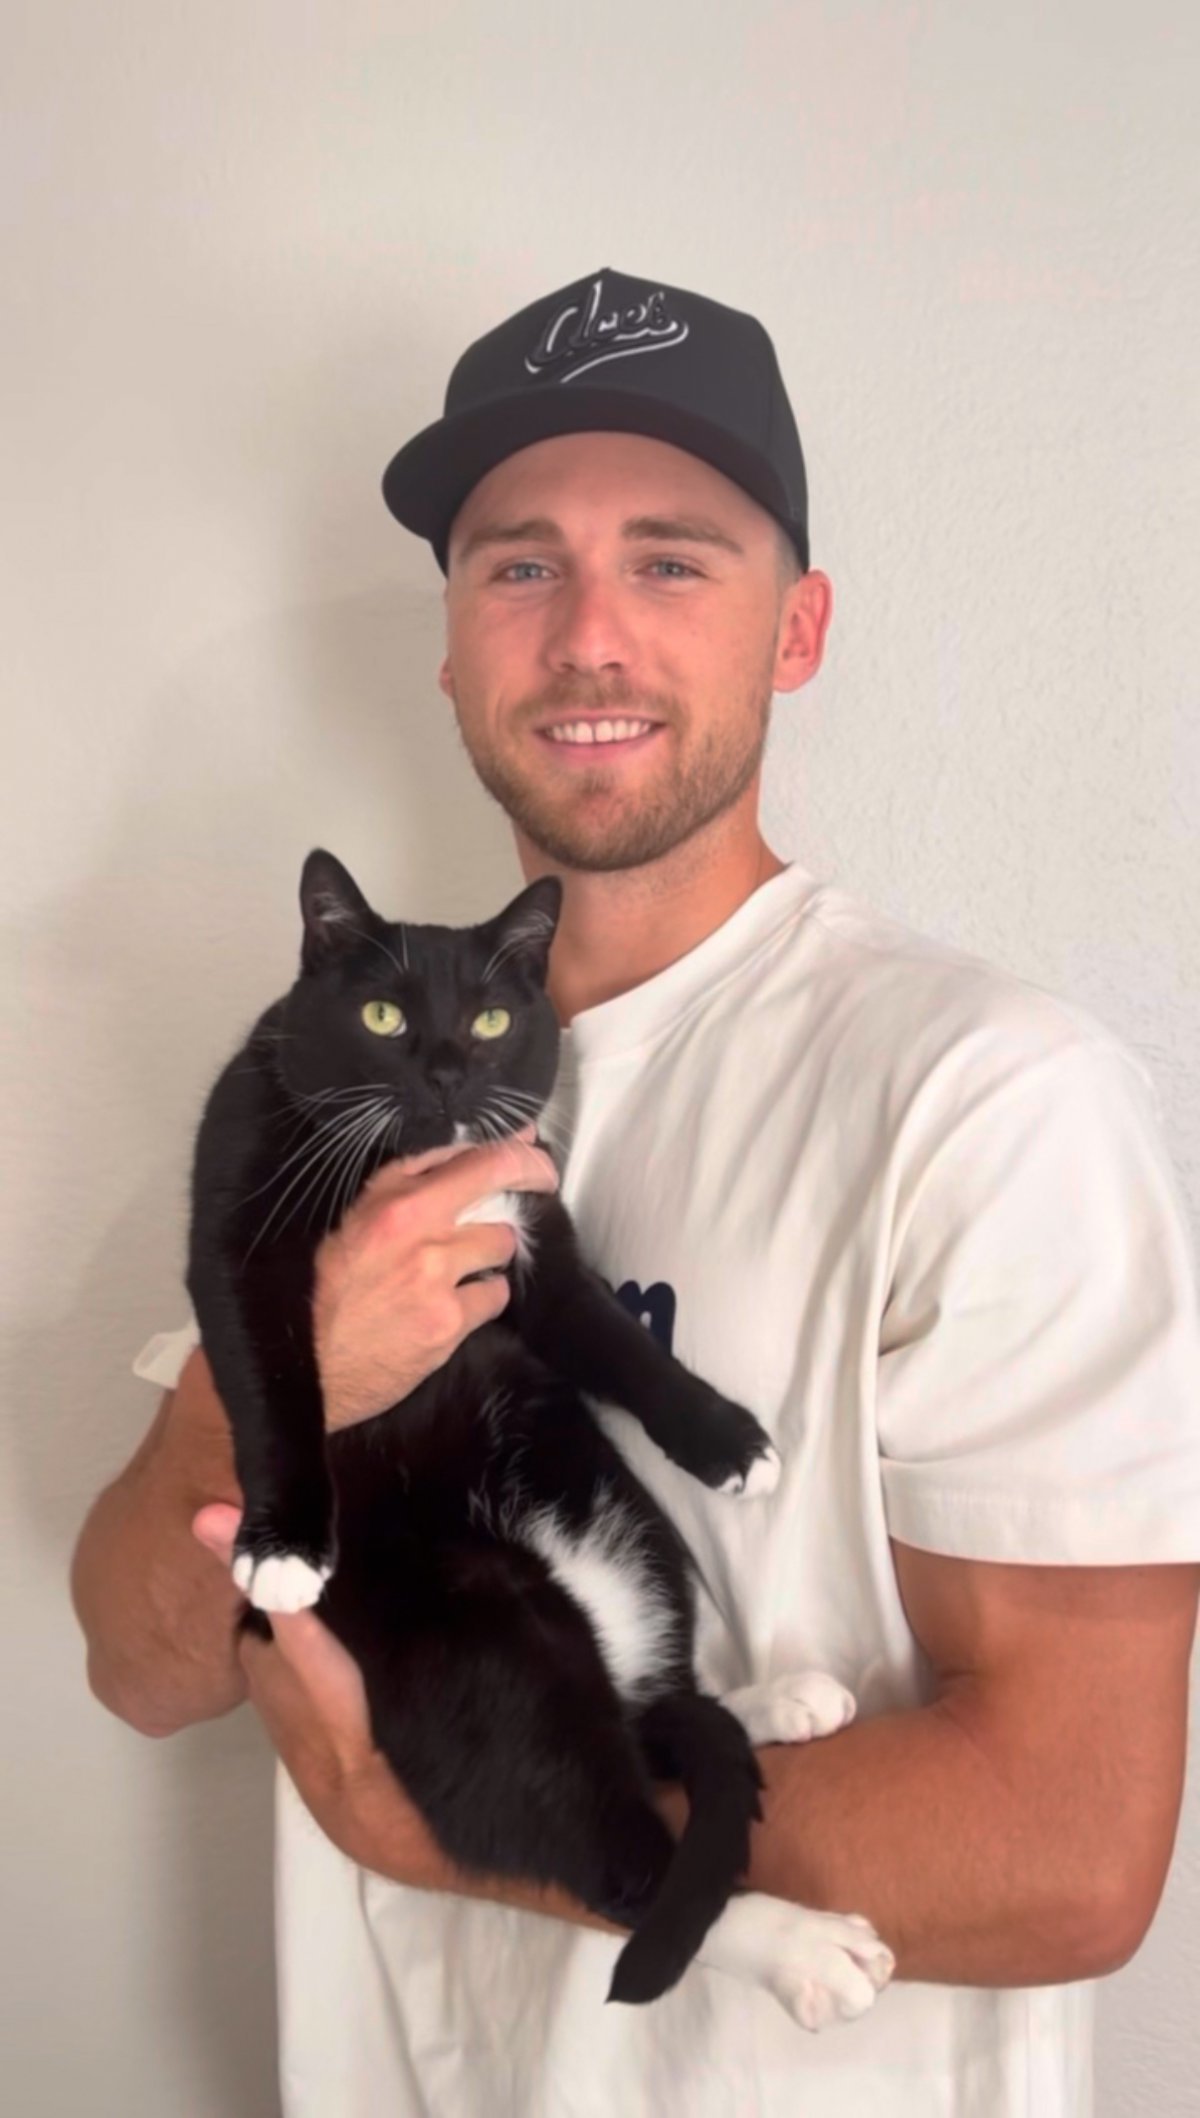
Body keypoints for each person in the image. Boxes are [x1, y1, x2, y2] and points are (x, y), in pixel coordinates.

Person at [72, 266, 1200, 2118]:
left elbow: (1071, 1849)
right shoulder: (323, 1080)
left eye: (672, 560)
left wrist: (438, 1830)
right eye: (520, 564)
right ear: (450, 643)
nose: (588, 633)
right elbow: (139, 1662)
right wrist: (275, 1387)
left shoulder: (988, 1097)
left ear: (798, 627)